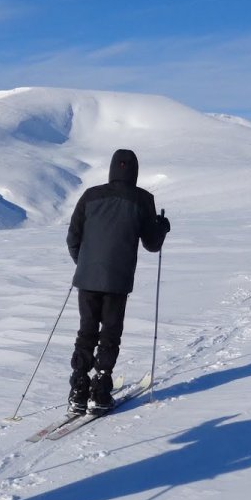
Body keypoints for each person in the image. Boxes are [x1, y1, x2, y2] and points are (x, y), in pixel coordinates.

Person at [66, 149, 170, 415]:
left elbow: (73, 237)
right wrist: (162, 226)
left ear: (112, 169)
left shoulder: (90, 195)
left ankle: (79, 388)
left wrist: (86, 264)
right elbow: (151, 244)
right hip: (118, 279)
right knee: (110, 333)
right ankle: (100, 389)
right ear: (134, 171)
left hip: (87, 278)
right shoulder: (142, 199)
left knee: (86, 330)